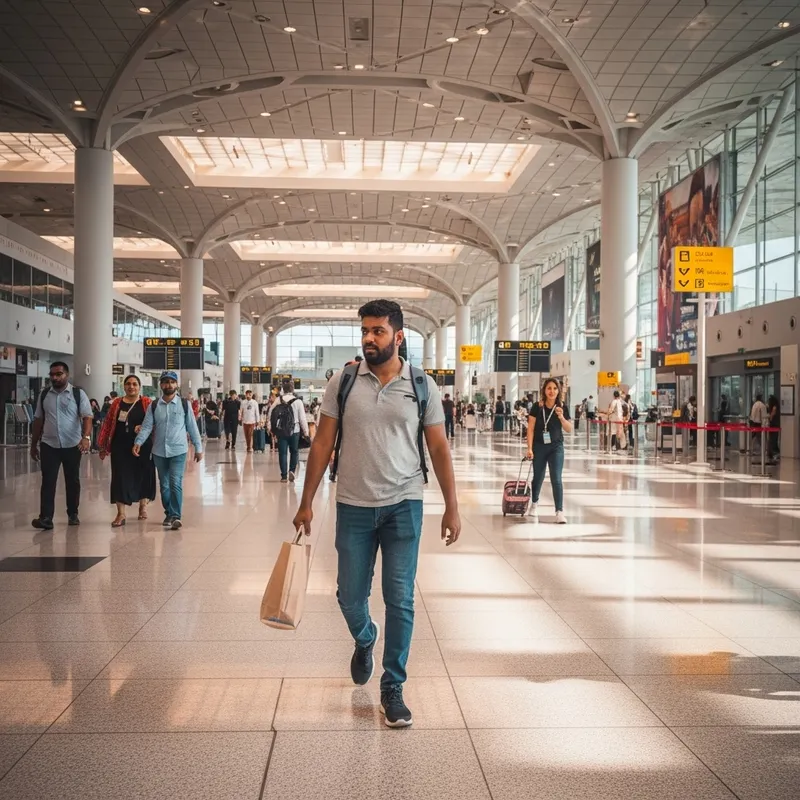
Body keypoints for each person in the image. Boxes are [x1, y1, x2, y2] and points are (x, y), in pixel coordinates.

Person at [292, 299, 460, 729]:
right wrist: (306, 499)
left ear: (398, 337)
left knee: (400, 599)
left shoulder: (421, 385)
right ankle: (366, 638)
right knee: (349, 596)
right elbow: (323, 443)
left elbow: (438, 448)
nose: (369, 338)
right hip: (352, 502)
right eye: (365, 330)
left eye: (378, 331)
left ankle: (393, 687)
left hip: (405, 503)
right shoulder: (343, 381)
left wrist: (452, 508)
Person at [133, 371, 203, 530]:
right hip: (159, 451)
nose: (169, 385)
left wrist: (198, 448)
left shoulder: (184, 404)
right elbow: (146, 427)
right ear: (161, 385)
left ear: (176, 385)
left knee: (175, 482)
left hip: (178, 450)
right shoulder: (154, 405)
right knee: (164, 484)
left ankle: (176, 515)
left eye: (172, 382)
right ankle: (169, 513)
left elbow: (192, 427)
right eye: (165, 382)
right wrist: (138, 442)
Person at [30, 361, 93, 530]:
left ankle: (73, 513)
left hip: (72, 445)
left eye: (59, 374)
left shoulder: (77, 394)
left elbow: (87, 416)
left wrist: (86, 437)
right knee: (48, 481)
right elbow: (38, 420)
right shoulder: (44, 395)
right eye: (52, 375)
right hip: (49, 445)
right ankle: (46, 518)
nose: (55, 377)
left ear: (67, 375)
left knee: (72, 480)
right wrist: (33, 443)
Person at [98, 374, 156, 526]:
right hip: (120, 446)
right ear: (124, 386)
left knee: (144, 474)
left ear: (139, 387)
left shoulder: (146, 403)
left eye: (135, 384)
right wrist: (103, 444)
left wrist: (143, 428)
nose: (131, 386)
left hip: (144, 446)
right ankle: (121, 513)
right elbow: (108, 423)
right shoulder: (117, 403)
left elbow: (155, 422)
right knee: (120, 477)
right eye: (128, 384)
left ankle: (143, 506)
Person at [526, 377, 572, 524]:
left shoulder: (562, 407)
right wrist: (529, 448)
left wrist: (561, 417)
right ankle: (534, 503)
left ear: (558, 391)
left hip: (556, 447)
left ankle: (559, 511)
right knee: (538, 477)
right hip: (539, 446)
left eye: (554, 388)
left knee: (556, 478)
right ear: (544, 391)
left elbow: (569, 429)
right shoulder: (537, 407)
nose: (552, 391)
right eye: (549, 388)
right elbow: (531, 428)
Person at [270, 378, 309, 482]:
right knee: (294, 451)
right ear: (292, 389)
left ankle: (283, 476)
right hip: (295, 430)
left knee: (282, 453)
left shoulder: (278, 400)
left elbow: (271, 413)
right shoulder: (298, 402)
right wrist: (306, 432)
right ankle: (292, 470)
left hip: (281, 430)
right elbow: (302, 419)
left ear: (283, 389)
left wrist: (271, 428)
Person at [767, 394, 780, 463]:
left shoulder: (774, 407)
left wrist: (770, 419)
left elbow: (772, 415)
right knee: (773, 439)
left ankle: (774, 453)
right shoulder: (777, 406)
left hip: (773, 425)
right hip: (775, 425)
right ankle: (773, 453)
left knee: (773, 439)